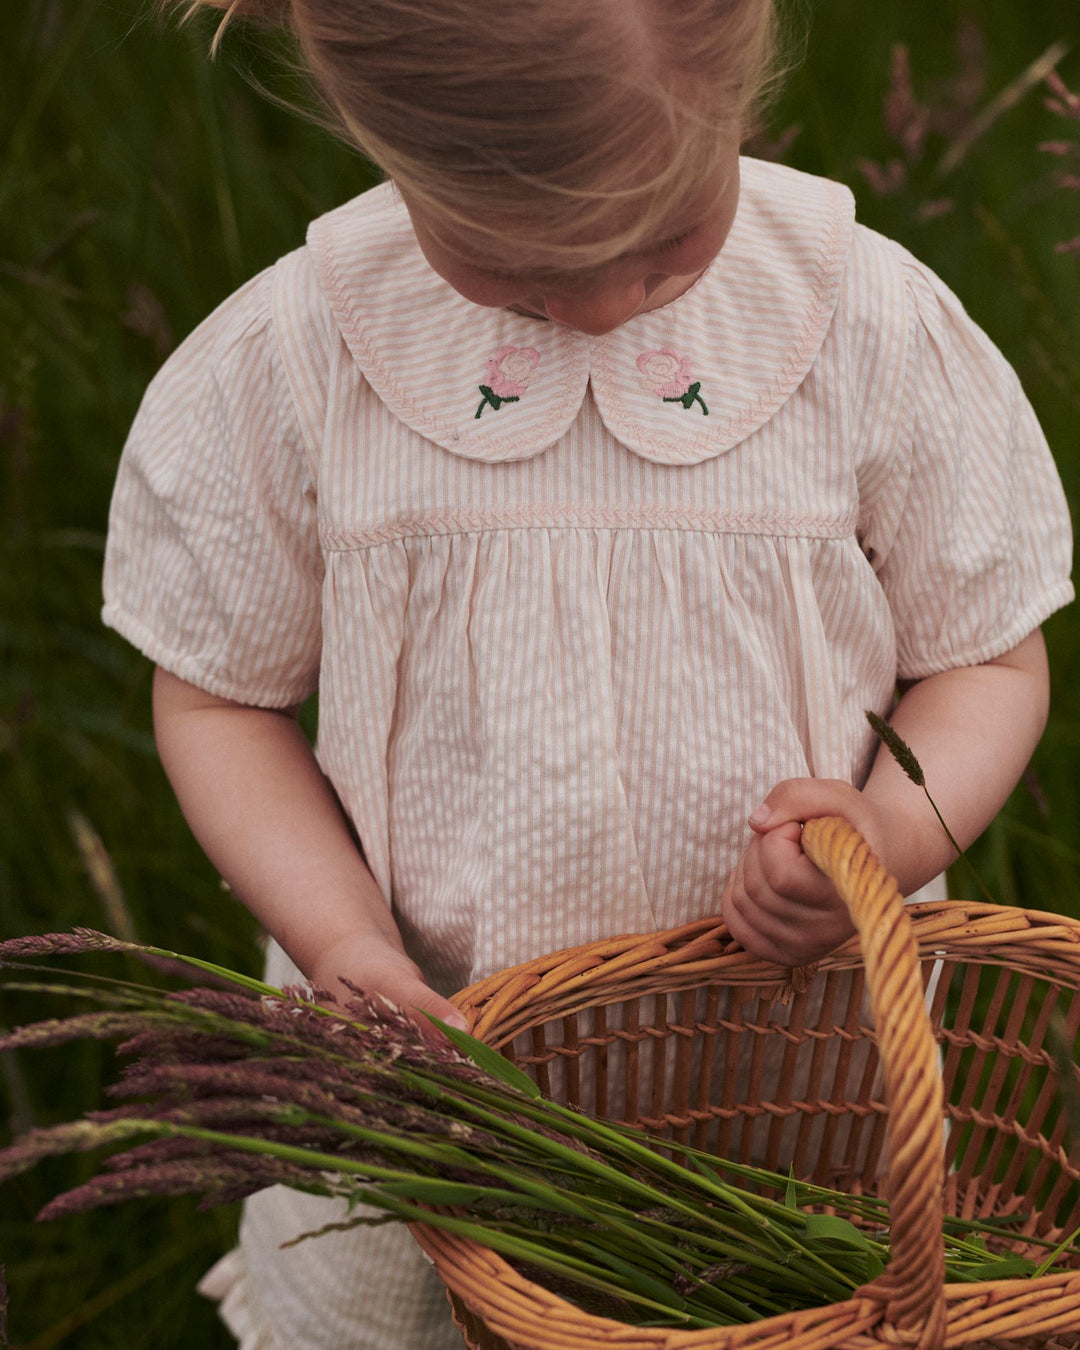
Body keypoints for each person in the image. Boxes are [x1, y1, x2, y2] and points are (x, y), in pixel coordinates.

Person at [102, 0, 1073, 1344]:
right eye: (518, 272)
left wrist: (896, 829)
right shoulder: (301, 359)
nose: (611, 304)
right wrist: (340, 940)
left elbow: (986, 657)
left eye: (671, 240)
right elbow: (220, 693)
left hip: (792, 1070)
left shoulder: (863, 326)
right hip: (437, 1077)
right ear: (392, 148)